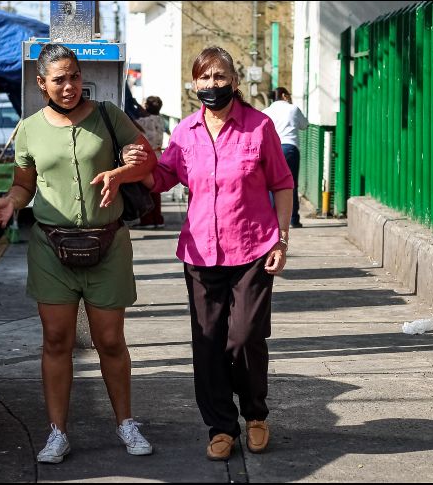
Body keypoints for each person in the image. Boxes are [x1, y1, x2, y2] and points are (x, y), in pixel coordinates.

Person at [0, 44, 157, 464]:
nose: (68, 86)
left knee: (110, 340)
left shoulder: (108, 116)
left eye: (74, 77)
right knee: (57, 340)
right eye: (58, 79)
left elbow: (146, 164)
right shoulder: (28, 129)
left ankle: (126, 424)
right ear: (41, 84)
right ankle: (57, 432)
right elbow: (25, 184)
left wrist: (123, 169)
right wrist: (11, 201)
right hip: (51, 248)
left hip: (108, 245)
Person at [125, 46, 294, 460]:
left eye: (220, 77)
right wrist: (138, 163)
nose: (212, 85)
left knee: (243, 337)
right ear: (194, 84)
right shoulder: (185, 132)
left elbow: (282, 183)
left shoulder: (260, 127)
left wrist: (283, 239)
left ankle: (255, 415)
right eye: (204, 78)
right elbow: (162, 178)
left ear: (234, 82)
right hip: (200, 254)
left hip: (253, 248)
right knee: (207, 344)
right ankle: (221, 426)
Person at [262, 87, 308, 228]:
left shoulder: (266, 112)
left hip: (272, 150)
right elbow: (304, 125)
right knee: (291, 184)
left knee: (270, 184)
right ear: (284, 95)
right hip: (290, 149)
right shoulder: (293, 109)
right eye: (289, 95)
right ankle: (293, 219)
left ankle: (271, 218)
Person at [133, 96, 166, 229]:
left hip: (146, 157)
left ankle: (147, 219)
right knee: (155, 189)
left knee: (145, 189)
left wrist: (135, 105)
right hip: (158, 156)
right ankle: (158, 218)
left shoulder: (143, 121)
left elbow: (131, 122)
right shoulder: (161, 119)